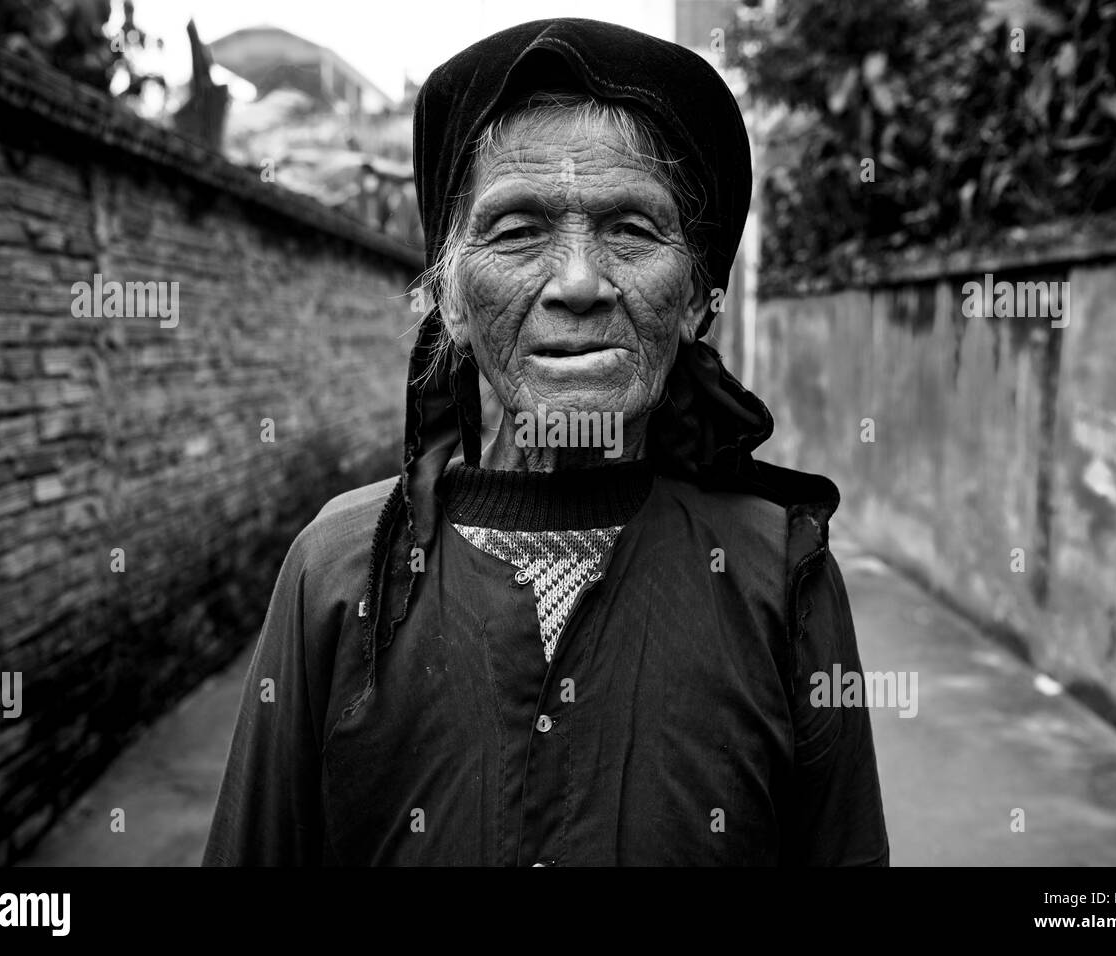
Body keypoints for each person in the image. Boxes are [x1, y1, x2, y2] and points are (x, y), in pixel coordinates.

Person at [204, 17, 889, 867]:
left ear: (695, 300)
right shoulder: (337, 570)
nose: (576, 284)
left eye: (632, 230)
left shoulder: (779, 573)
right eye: (518, 229)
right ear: (450, 301)